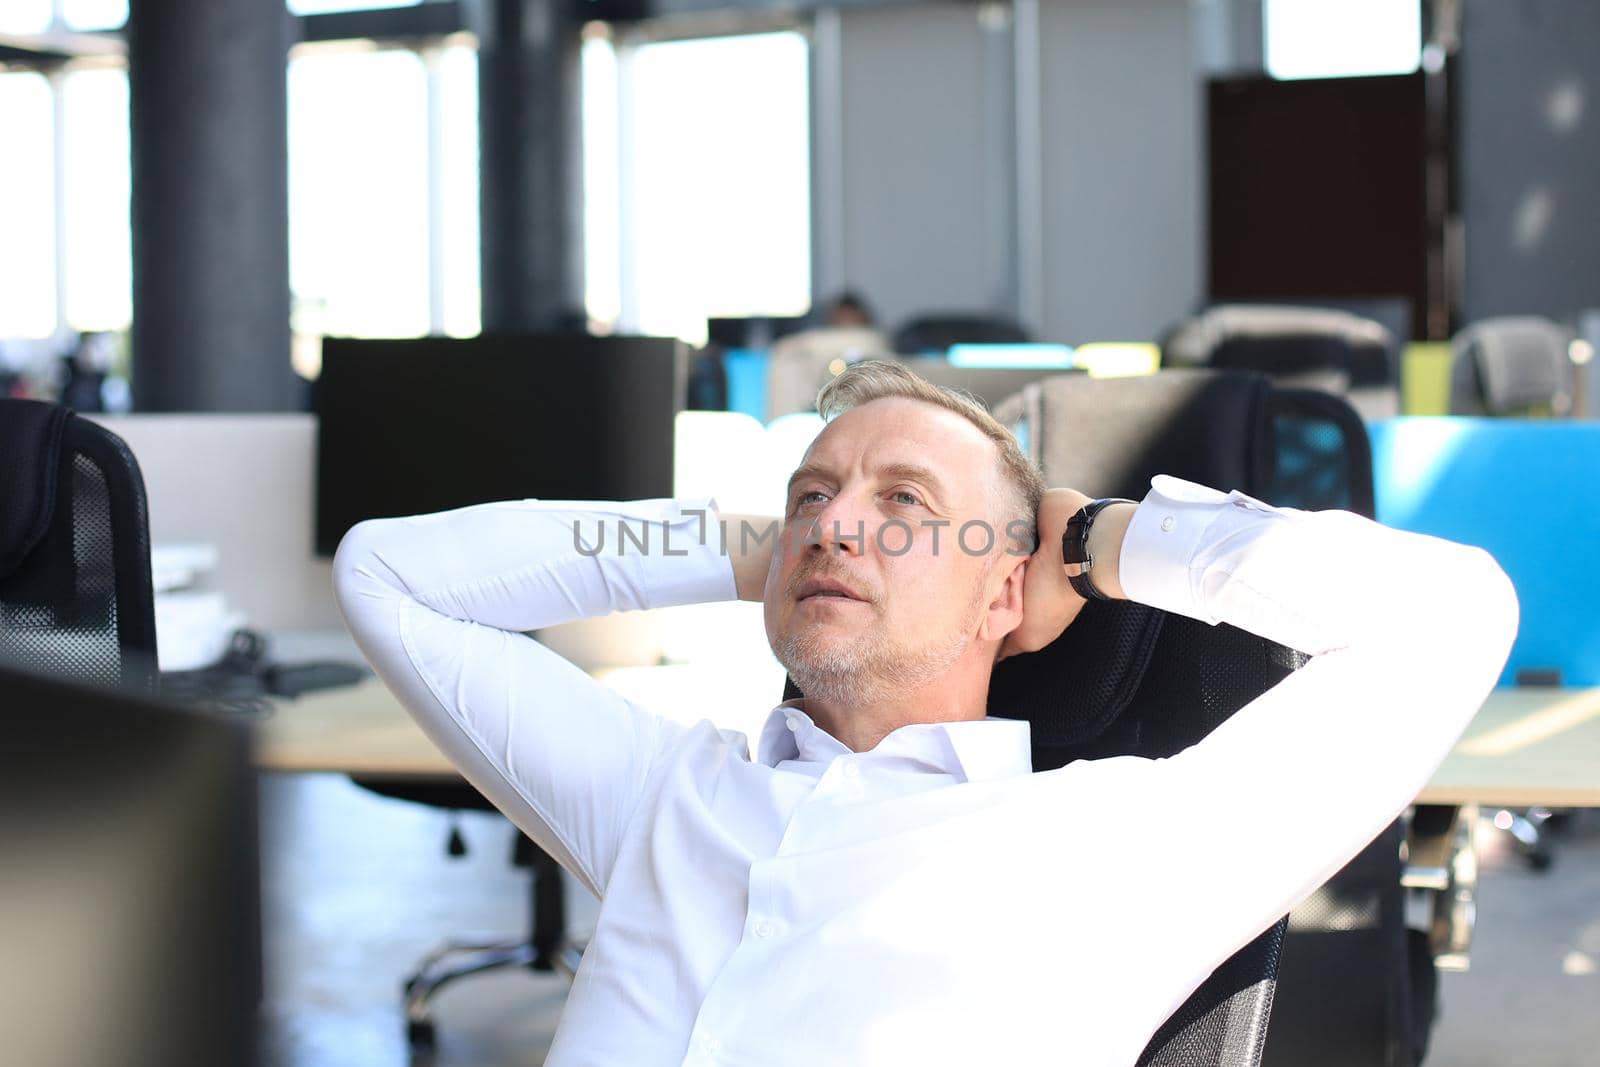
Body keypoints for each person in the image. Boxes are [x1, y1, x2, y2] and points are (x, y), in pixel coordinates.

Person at [333, 360, 1517, 1066]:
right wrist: (749, 544)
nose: (839, 523)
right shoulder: (665, 794)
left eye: (905, 503)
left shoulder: (1116, 845)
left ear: (1005, 589)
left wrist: (1095, 538)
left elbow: (1455, 611)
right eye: (814, 495)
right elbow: (389, 573)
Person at [765, 291, 893, 418]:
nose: (846, 326)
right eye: (840, 321)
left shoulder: (875, 343)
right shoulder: (801, 350)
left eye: (849, 320)